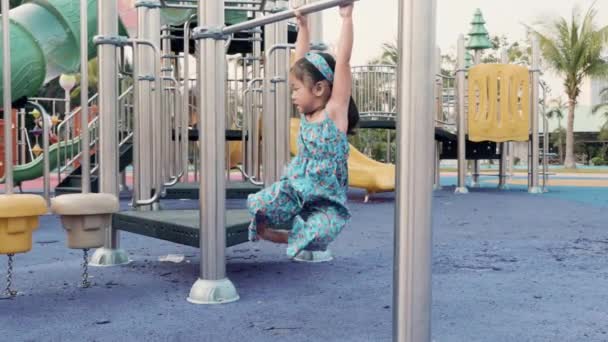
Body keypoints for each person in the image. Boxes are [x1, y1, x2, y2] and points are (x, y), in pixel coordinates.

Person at [246, 3, 359, 259]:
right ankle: (271, 228)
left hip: (326, 199)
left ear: (319, 89)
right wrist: (303, 25)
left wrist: (346, 18)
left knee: (320, 234)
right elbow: (299, 60)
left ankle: (283, 237)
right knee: (258, 203)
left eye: (297, 90)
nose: (293, 95)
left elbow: (343, 62)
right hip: (297, 188)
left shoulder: (334, 112)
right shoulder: (307, 114)